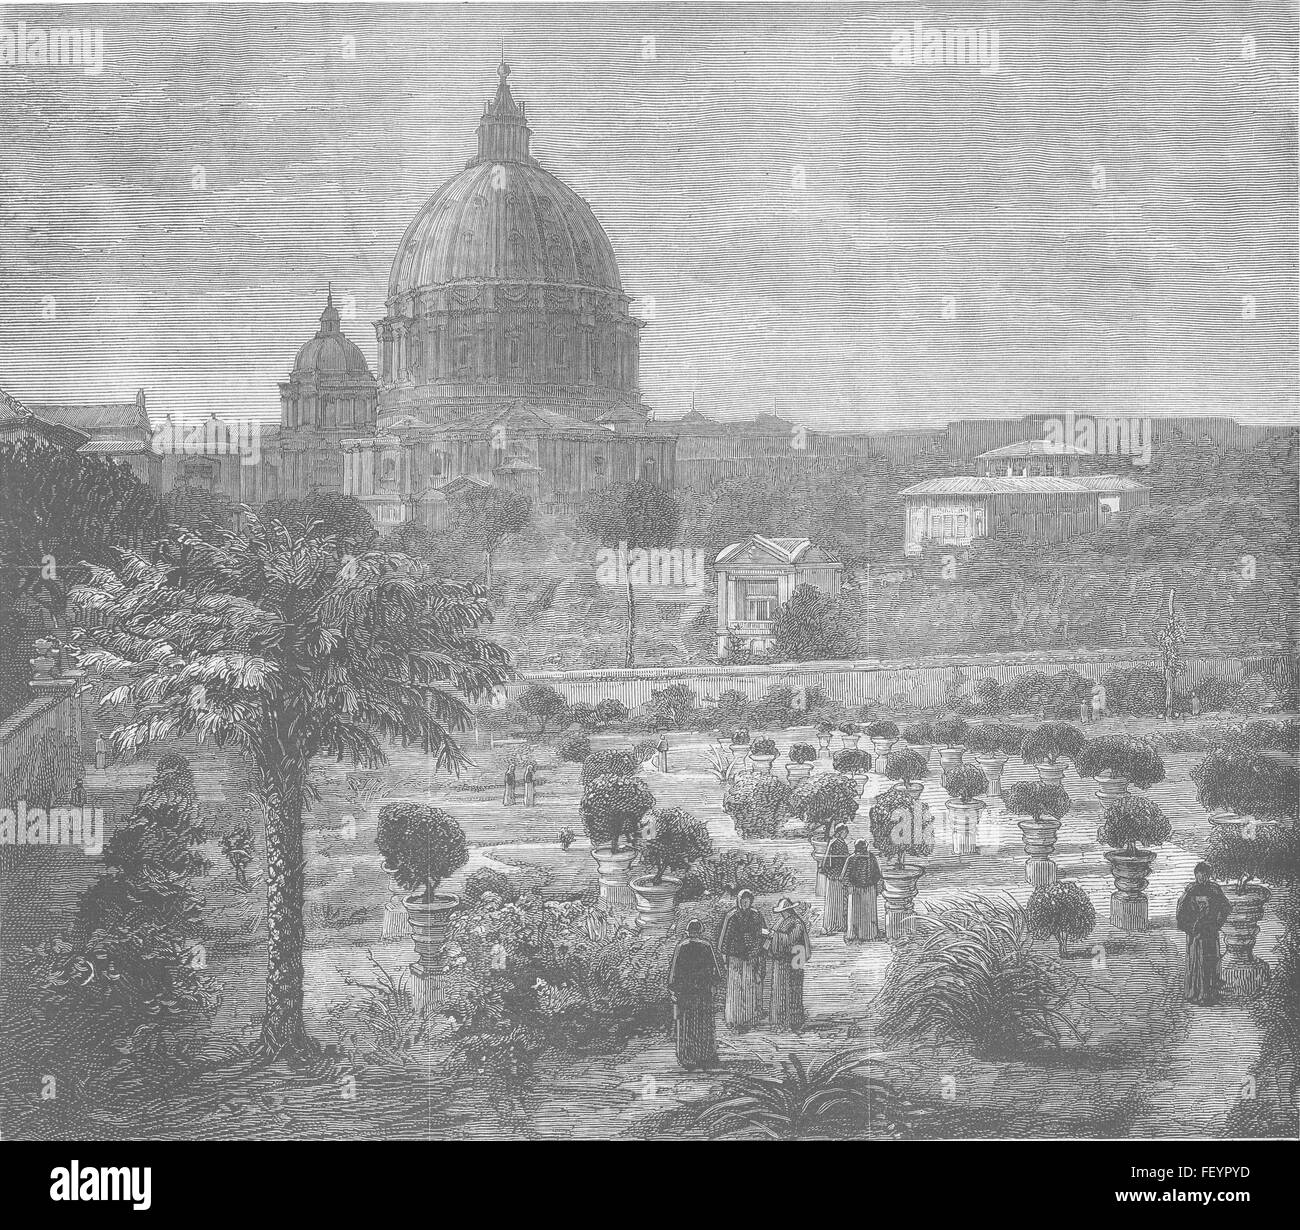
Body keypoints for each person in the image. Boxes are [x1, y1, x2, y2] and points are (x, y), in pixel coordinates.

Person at [668, 918, 721, 1069]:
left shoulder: (681, 946)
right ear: (700, 931)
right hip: (703, 992)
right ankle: (705, 1055)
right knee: (703, 1024)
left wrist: (673, 989)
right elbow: (715, 971)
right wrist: (713, 985)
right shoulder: (706, 946)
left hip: (686, 993)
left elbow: (674, 972)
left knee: (686, 1024)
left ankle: (687, 1057)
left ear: (688, 932)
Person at [1175, 862, 1231, 1005]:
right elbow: (1180, 912)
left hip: (1210, 933)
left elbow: (1226, 907)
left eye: (1206, 875)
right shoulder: (1190, 890)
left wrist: (1217, 923)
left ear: (1209, 875)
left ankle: (1211, 993)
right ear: (1196, 875)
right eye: (1200, 875)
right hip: (1195, 935)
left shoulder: (1215, 889)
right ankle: (1195, 993)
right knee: (1196, 963)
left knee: (1211, 961)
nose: (1203, 878)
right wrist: (1192, 927)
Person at [717, 889, 767, 1031]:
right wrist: (725, 956)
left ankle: (750, 1018)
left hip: (751, 957)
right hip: (735, 958)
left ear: (751, 901)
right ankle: (735, 1019)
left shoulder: (756, 916)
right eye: (742, 901)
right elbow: (724, 940)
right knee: (736, 989)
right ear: (738, 902)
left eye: (747, 901)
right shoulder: (732, 916)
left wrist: (759, 951)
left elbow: (764, 934)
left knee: (749, 987)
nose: (744, 904)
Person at [768, 898, 812, 1031]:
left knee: (792, 991)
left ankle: (793, 1022)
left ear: (789, 911)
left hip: (793, 962)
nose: (783, 914)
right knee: (779, 992)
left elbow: (790, 940)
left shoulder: (797, 923)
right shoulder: (781, 922)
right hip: (781, 962)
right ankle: (780, 1021)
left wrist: (774, 936)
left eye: (785, 911)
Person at [843, 841, 882, 942]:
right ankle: (863, 935)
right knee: (859, 914)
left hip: (867, 889)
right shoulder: (854, 858)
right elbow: (846, 877)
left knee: (864, 914)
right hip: (859, 889)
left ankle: (866, 934)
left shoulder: (853, 858)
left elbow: (877, 874)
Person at [820, 824, 850, 935]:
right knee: (834, 901)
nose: (846, 834)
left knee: (841, 901)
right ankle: (831, 925)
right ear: (839, 832)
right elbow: (827, 861)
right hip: (834, 878)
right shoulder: (833, 843)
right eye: (845, 832)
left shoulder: (843, 844)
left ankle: (840, 925)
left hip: (841, 877)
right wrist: (832, 873)